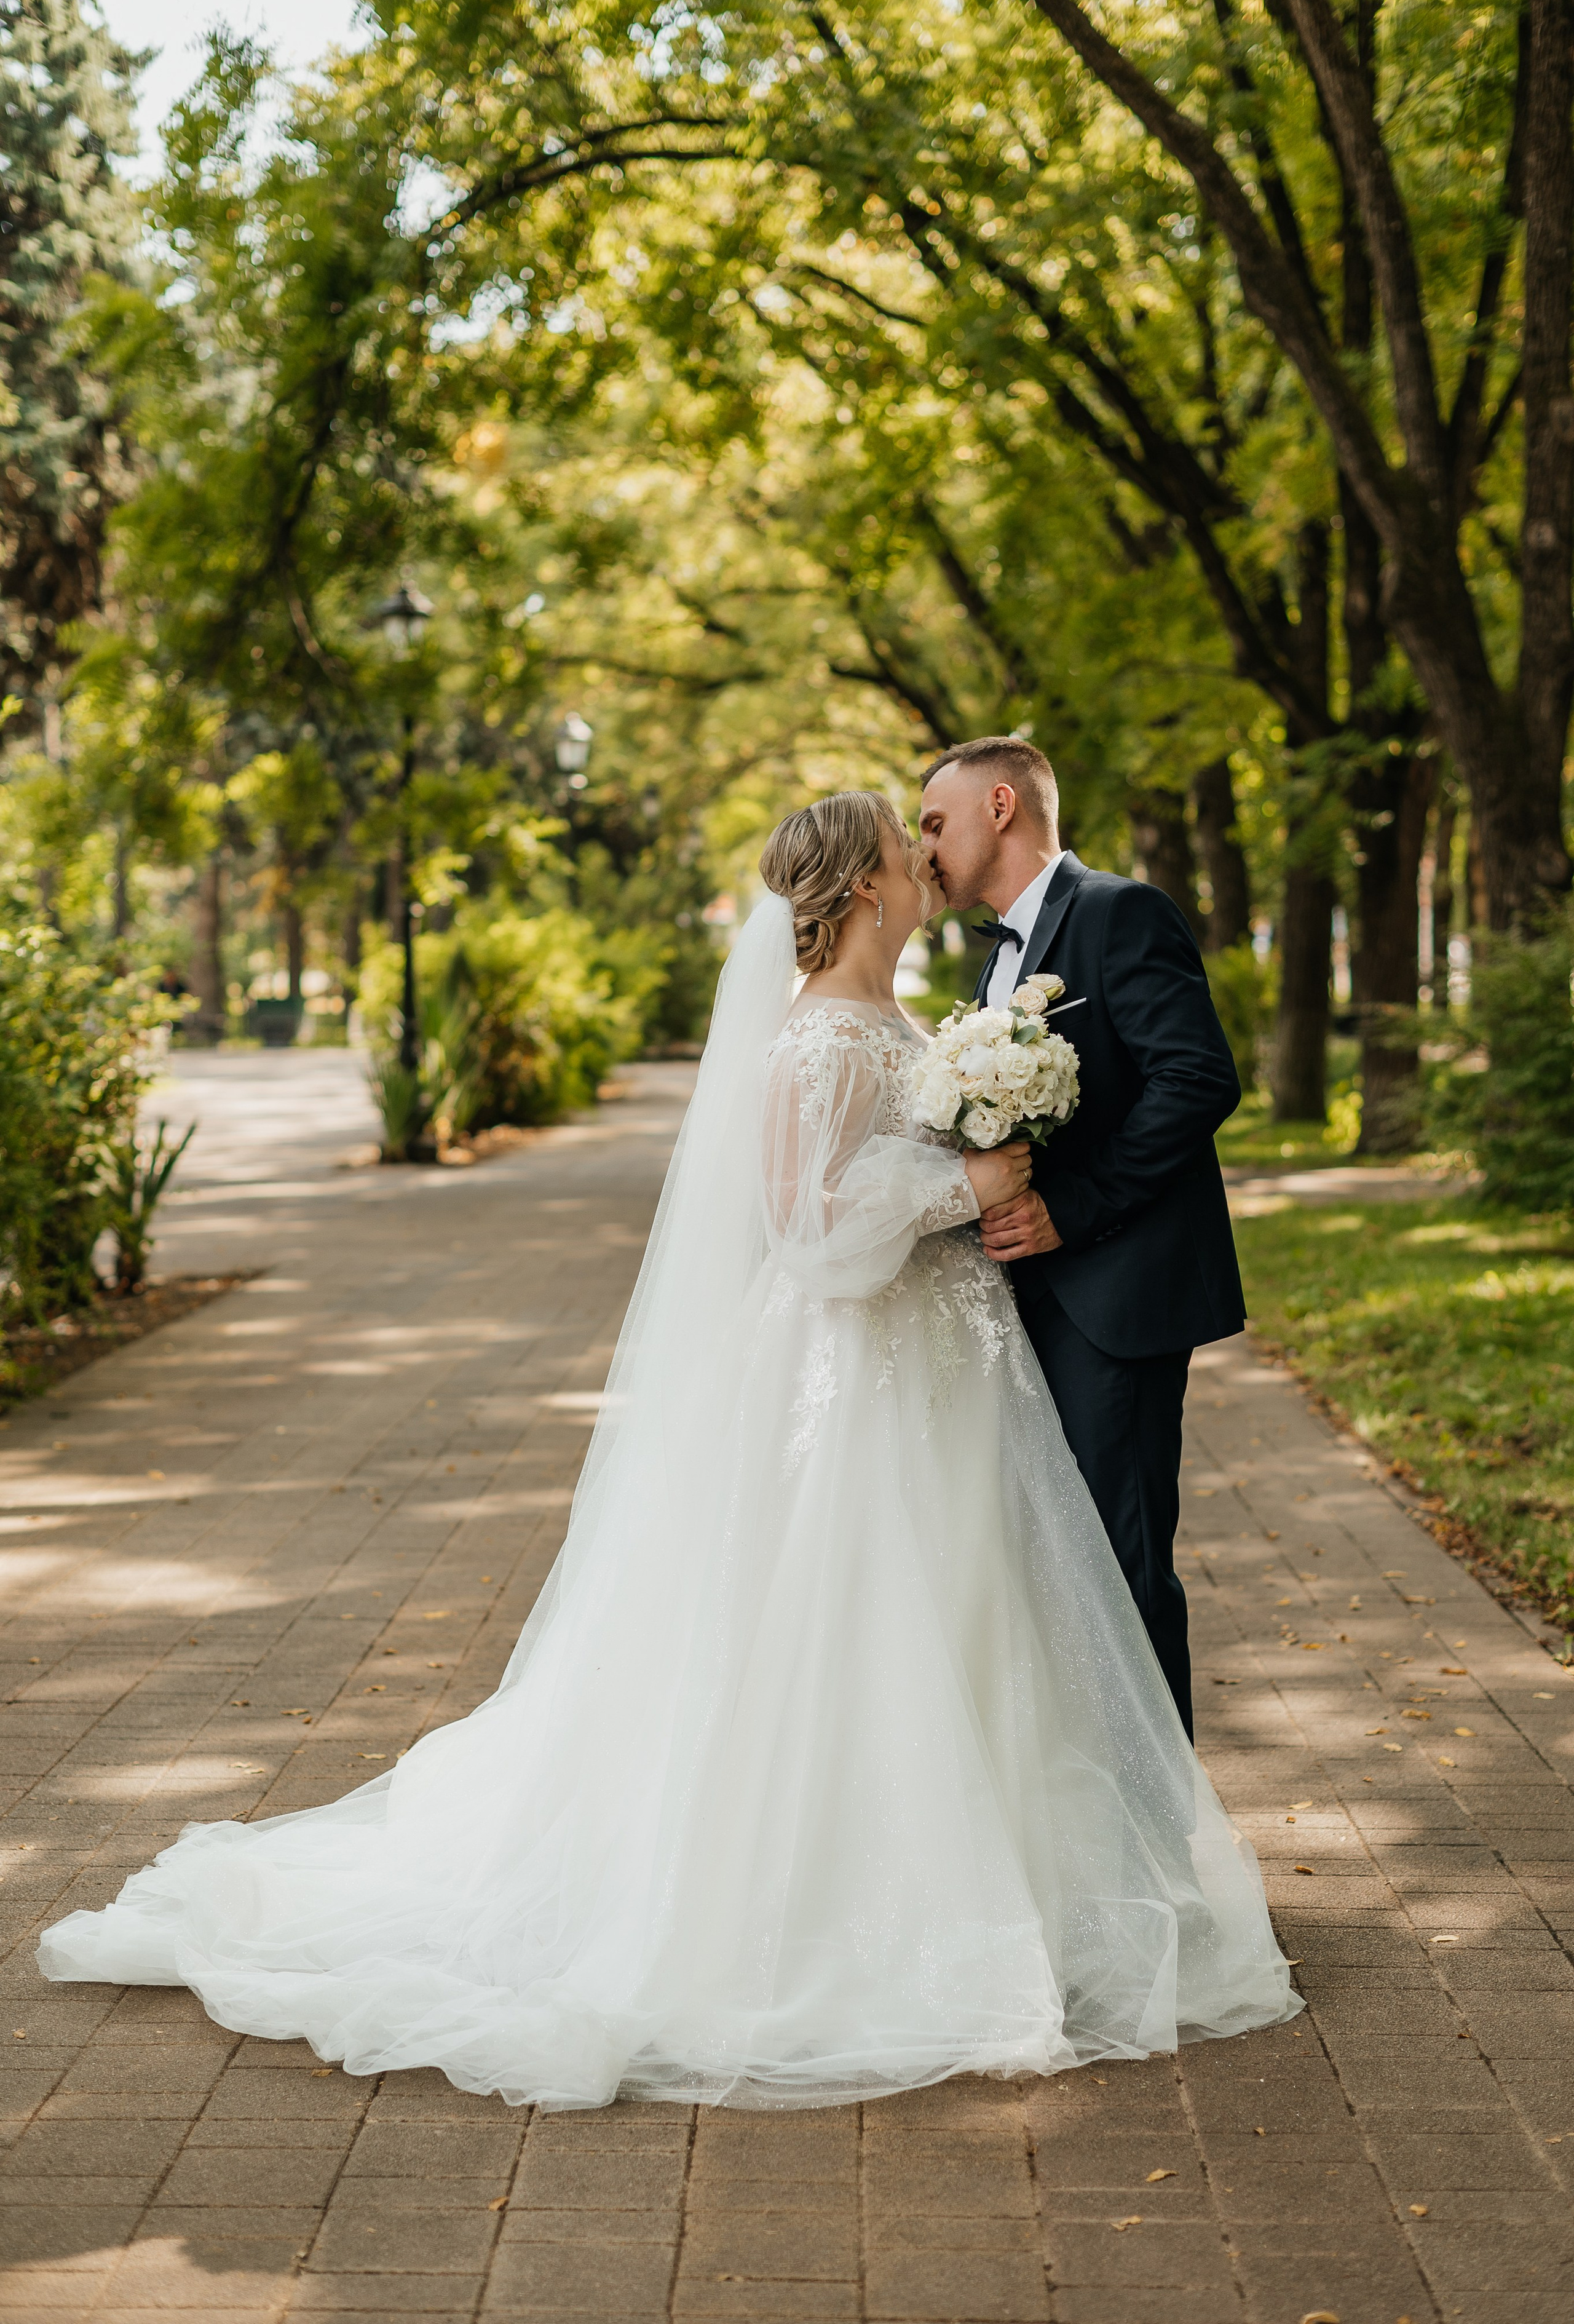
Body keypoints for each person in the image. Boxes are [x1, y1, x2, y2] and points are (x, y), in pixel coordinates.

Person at [38, 791, 1297, 2110]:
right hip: (848, 1377)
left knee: (968, 1605)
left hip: (945, 1365)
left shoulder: (902, 1019)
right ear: (864, 887)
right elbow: (806, 1231)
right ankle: (834, 1902)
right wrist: (961, 1186)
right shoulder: (811, 1038)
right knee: (851, 1615)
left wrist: (985, 1164)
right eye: (902, 847)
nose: (926, 862)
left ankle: (1001, 1878)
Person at [920, 739, 1246, 1739]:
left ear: (1003, 805)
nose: (924, 844)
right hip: (1030, 1305)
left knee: (1119, 1566)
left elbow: (1198, 1079)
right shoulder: (995, 959)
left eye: (935, 821)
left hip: (1118, 1302)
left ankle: (1161, 1848)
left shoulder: (1118, 912)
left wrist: (1073, 1207)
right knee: (1057, 1572)